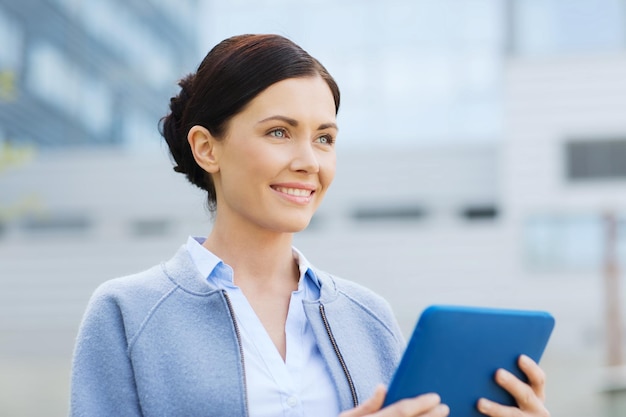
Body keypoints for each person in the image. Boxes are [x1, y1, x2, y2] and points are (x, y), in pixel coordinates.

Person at [70, 34, 550, 417]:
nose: (308, 161)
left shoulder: (369, 317)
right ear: (207, 148)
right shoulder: (127, 313)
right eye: (279, 132)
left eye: (324, 138)